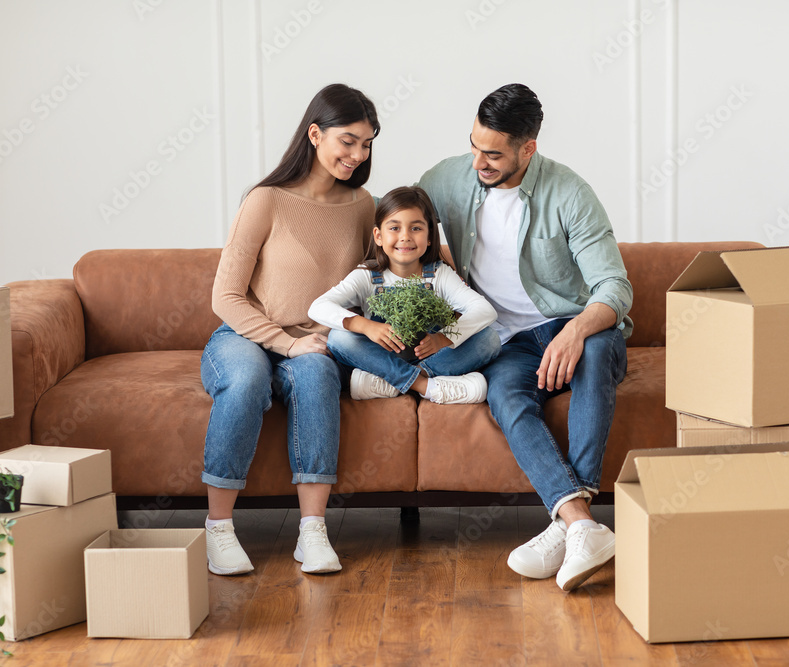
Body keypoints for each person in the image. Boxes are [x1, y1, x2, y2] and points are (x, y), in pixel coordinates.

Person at [418, 83, 633, 591]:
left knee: (597, 346)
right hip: (504, 339)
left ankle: (567, 524)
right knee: (505, 394)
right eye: (473, 146)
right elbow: (391, 218)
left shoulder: (570, 193)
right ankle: (580, 523)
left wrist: (576, 329)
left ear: (527, 148)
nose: (478, 162)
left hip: (570, 327)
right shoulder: (447, 178)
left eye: (492, 153)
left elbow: (614, 285)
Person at [201, 83, 379, 576]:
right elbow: (226, 296)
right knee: (246, 381)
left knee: (319, 374)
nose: (357, 154)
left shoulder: (364, 206)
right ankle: (218, 528)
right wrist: (286, 342)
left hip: (316, 340)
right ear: (315, 133)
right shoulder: (266, 200)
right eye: (348, 140)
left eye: (366, 143)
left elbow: (373, 279)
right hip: (246, 334)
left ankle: (312, 531)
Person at [308, 186, 500, 404]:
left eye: (416, 228)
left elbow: (485, 310)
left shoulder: (439, 275)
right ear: (378, 236)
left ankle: (392, 382)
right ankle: (423, 385)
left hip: (429, 358)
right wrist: (366, 326)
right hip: (382, 357)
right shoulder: (367, 276)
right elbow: (317, 307)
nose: (405, 237)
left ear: (429, 237)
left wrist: (442, 338)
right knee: (338, 337)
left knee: (490, 339)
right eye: (395, 228)